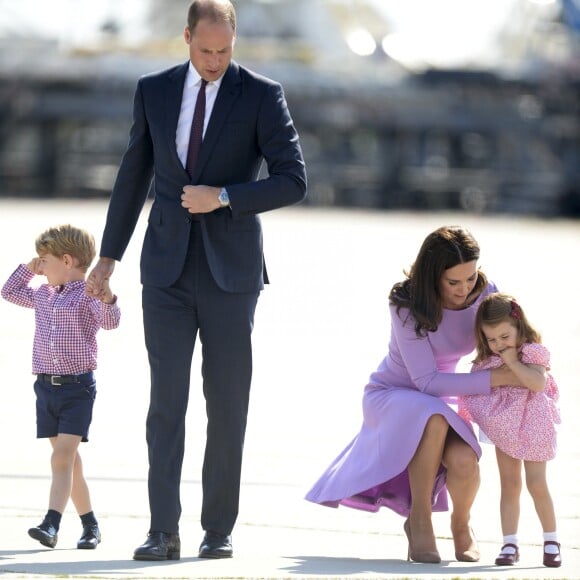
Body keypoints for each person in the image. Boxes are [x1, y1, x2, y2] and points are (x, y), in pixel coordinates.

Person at [85, 0, 306, 562]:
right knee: (166, 405)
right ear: (186, 37)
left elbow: (292, 180)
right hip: (164, 271)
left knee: (227, 404)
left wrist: (226, 197)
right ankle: (163, 531)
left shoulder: (261, 94)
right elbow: (132, 176)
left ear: (235, 41)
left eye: (224, 51)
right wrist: (107, 257)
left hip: (232, 275)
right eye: (205, 50)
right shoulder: (153, 90)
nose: (214, 61)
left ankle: (217, 529)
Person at [305, 225, 521, 564]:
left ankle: (461, 525)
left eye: (470, 277)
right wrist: (494, 379)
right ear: (432, 276)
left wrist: (526, 372)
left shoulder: (485, 294)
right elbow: (425, 382)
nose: (464, 289)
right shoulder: (405, 304)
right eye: (453, 282)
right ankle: (420, 519)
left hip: (444, 395)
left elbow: (508, 341)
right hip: (394, 393)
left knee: (465, 460)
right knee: (431, 416)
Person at [1, 224, 120, 550]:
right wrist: (29, 267)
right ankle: (90, 524)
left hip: (76, 390)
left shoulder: (88, 294)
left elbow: (111, 322)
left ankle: (51, 523)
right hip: (45, 389)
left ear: (66, 261)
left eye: (45, 261)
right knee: (67, 461)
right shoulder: (42, 294)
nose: (41, 268)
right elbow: (8, 291)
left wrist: (107, 296)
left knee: (63, 457)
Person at [458, 293, 562, 568]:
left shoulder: (533, 352)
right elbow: (476, 386)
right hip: (504, 426)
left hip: (534, 424)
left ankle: (551, 541)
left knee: (537, 484)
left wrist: (514, 362)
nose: (499, 345)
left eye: (504, 336)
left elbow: (537, 384)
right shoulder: (486, 360)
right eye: (491, 340)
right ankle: (510, 543)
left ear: (519, 326)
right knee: (510, 484)